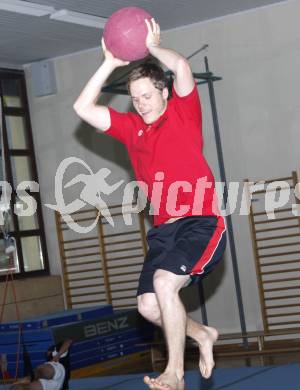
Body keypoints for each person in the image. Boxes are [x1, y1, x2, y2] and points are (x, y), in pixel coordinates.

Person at [73, 18, 226, 390]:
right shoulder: (131, 128)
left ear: (164, 93)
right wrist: (110, 61)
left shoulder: (183, 114)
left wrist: (152, 46)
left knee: (163, 281)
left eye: (147, 95)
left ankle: (175, 372)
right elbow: (82, 107)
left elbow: (182, 68)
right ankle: (203, 334)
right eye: (135, 97)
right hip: (162, 231)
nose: (141, 103)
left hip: (200, 222)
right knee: (148, 306)